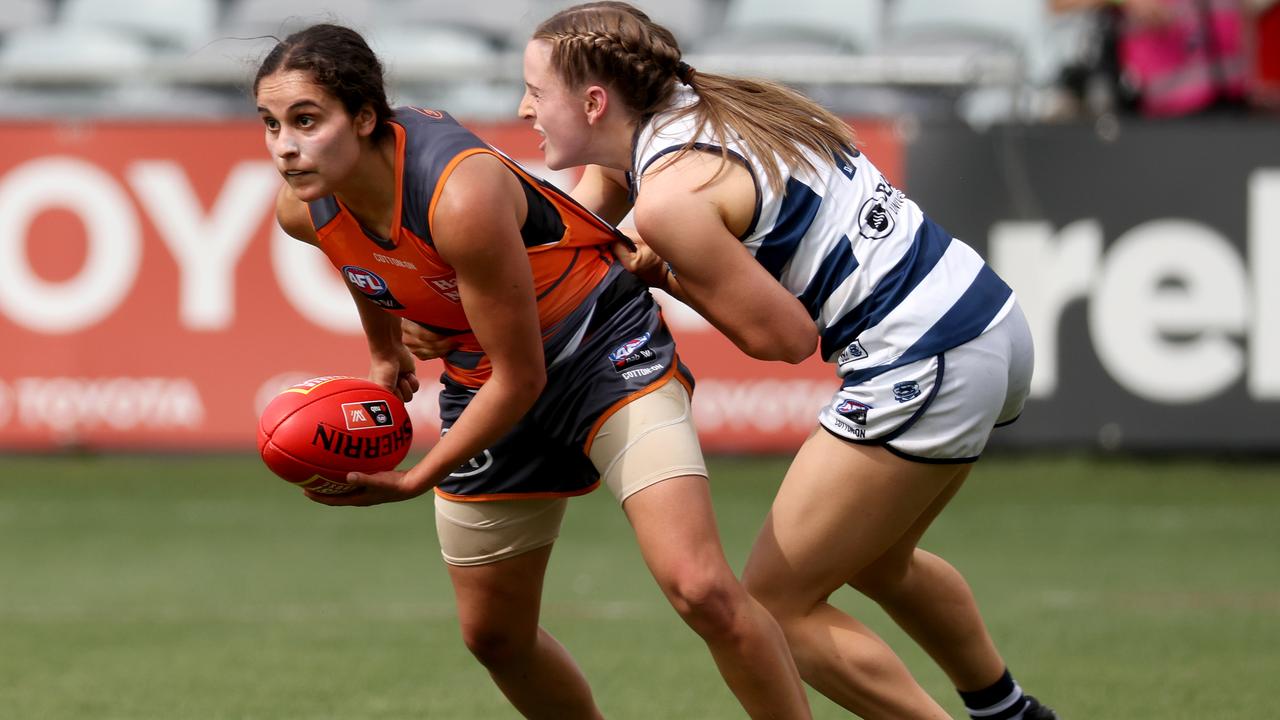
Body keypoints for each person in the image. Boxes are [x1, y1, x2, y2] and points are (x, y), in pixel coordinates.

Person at [512, 2, 1060, 718]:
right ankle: (1010, 712)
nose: (522, 109)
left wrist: (664, 275)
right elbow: (572, 234)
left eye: (534, 91)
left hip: (921, 356)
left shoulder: (672, 197)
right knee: (876, 559)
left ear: (593, 101)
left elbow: (784, 339)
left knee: (774, 604)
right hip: (983, 318)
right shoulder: (687, 104)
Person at [252, 23, 811, 720]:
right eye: (271, 123)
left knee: (700, 587)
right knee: (493, 636)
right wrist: (385, 350)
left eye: (306, 120)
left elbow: (521, 381)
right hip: (481, 371)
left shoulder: (459, 195)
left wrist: (413, 477)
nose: (284, 144)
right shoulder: (302, 208)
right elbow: (361, 263)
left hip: (600, 347)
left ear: (365, 118)